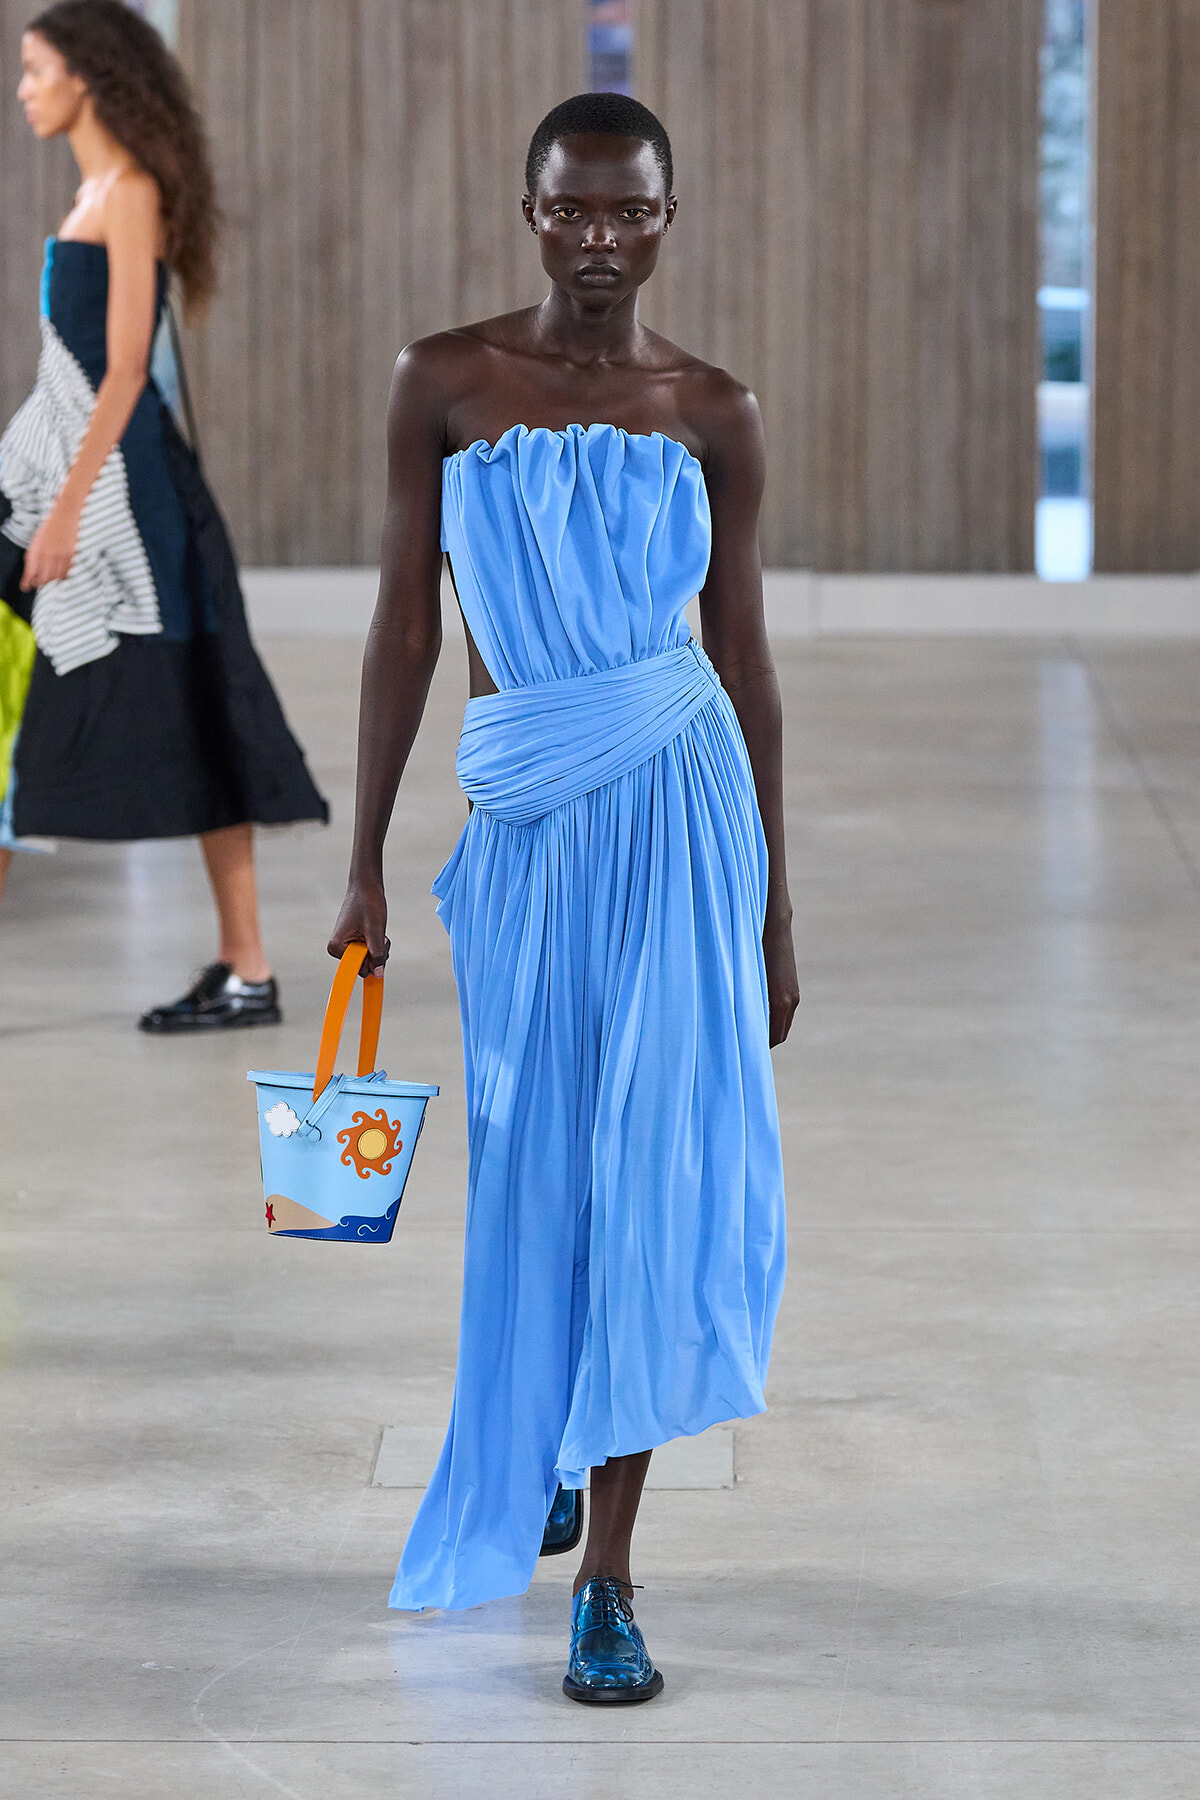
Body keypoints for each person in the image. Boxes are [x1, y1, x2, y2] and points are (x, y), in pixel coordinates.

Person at [329, 92, 797, 1704]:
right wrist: (364, 856)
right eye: (573, 211)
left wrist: (775, 908)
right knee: (537, 1165)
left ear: (672, 219)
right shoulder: (446, 385)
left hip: (678, 817)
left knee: (652, 1174)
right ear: (530, 210)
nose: (602, 243)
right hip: (526, 830)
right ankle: (537, 1428)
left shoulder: (713, 409)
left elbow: (742, 658)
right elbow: (402, 630)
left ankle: (605, 1572)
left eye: (633, 215)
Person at [0, 1, 327, 1024]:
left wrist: (62, 518)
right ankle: (246, 969)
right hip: (89, 487)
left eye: (34, 69)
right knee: (91, 706)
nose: (23, 89)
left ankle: (249, 970)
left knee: (197, 708)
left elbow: (130, 369)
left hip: (133, 505)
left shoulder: (127, 193)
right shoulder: (96, 187)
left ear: (86, 79)